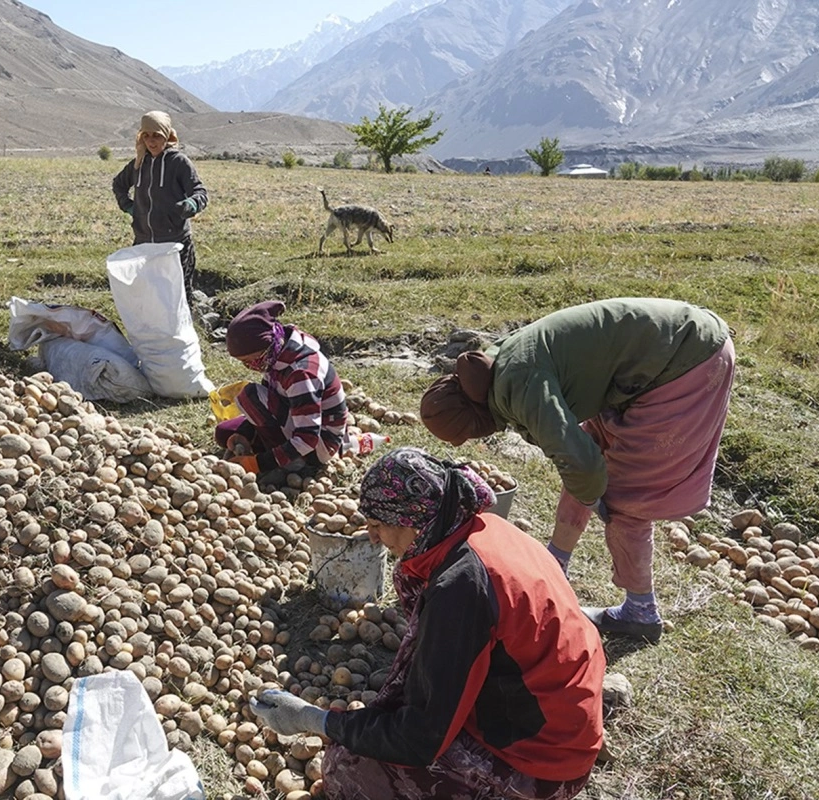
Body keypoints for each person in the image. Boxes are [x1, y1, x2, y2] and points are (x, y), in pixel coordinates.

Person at [251, 447, 605, 800]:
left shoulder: (460, 589)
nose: (373, 537)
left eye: (378, 525)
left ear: (412, 522)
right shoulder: (480, 524)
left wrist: (313, 720)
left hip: (543, 761)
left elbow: (419, 739)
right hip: (559, 713)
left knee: (346, 767)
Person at [419, 297, 735, 643]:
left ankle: (640, 613)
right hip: (651, 358)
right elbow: (577, 458)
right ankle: (557, 565)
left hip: (686, 358)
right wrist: (587, 487)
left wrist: (600, 498)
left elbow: (583, 467)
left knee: (627, 499)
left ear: (476, 419)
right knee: (584, 454)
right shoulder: (490, 366)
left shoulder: (517, 386)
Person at [216, 300, 347, 476]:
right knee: (226, 432)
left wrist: (258, 464)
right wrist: (245, 434)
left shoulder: (300, 374)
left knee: (249, 396)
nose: (251, 367)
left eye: (252, 360)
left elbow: (308, 438)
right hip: (298, 418)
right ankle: (272, 446)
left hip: (318, 444)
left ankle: (293, 464)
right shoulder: (277, 353)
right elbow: (271, 396)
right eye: (244, 363)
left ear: (269, 345)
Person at [111, 110, 208, 298]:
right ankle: (150, 327)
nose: (151, 141)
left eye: (156, 135)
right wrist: (129, 206)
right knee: (147, 293)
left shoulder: (179, 162)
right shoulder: (138, 163)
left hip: (175, 243)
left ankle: (185, 327)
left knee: (178, 293)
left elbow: (201, 192)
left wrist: (191, 205)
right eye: (146, 136)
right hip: (143, 241)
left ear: (167, 135)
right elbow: (118, 184)